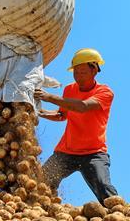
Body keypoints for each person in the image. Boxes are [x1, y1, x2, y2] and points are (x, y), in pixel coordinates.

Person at [34, 48, 119, 204]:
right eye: (76, 72)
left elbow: (83, 106)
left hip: (93, 153)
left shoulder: (105, 92)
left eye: (82, 72)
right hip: (66, 152)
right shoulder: (69, 89)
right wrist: (39, 112)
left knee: (104, 187)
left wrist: (49, 97)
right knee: (41, 182)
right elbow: (62, 115)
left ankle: (122, 217)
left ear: (94, 70)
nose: (78, 76)